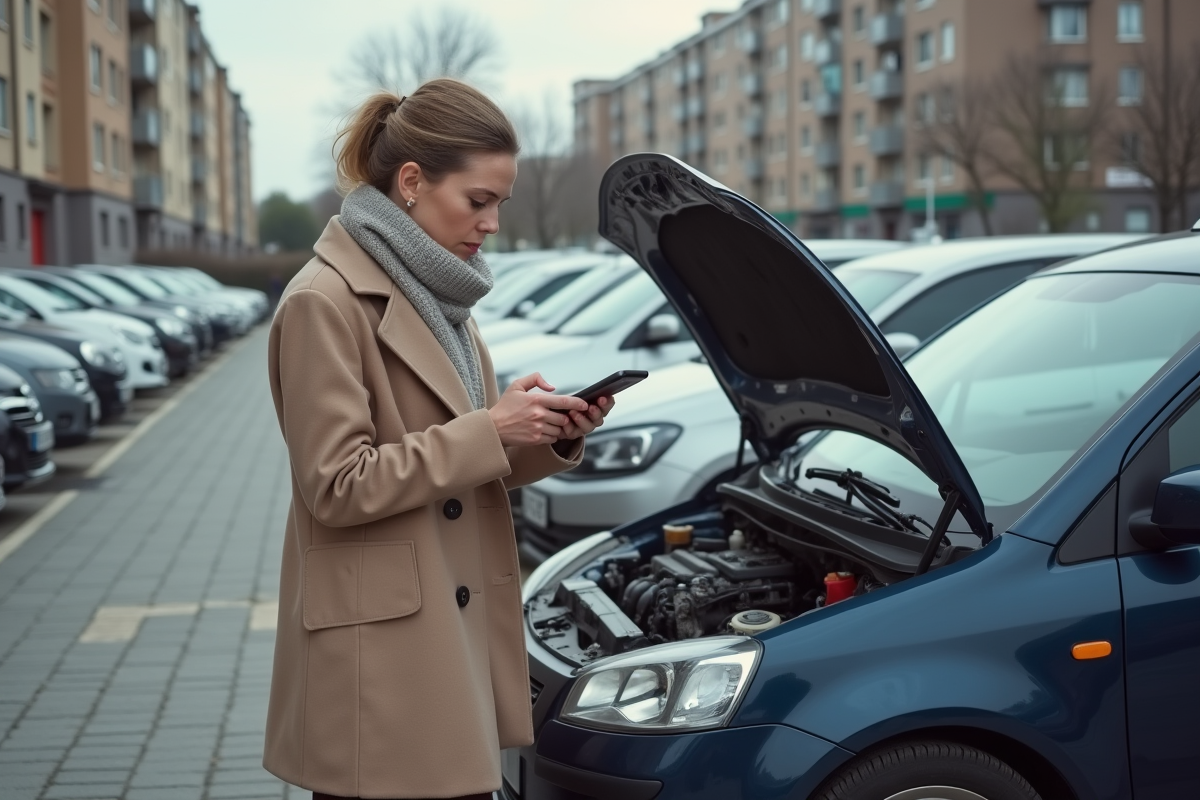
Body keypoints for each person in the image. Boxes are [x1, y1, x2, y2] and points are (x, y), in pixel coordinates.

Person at [263, 78, 611, 800]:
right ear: (413, 183)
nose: (490, 224)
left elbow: (464, 466)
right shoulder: (322, 303)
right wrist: (491, 427)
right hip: (382, 660)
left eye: (499, 205)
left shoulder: (443, 298)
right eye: (477, 201)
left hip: (441, 639)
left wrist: (545, 433)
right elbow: (336, 484)